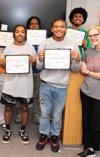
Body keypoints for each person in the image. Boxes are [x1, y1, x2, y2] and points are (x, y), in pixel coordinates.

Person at [35, 19, 81, 153]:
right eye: (56, 27)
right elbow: (38, 67)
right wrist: (40, 58)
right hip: (46, 85)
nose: (59, 29)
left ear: (66, 29)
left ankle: (54, 136)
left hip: (62, 86)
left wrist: (77, 60)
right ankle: (44, 135)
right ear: (52, 29)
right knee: (44, 113)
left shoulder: (72, 44)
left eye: (62, 27)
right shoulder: (45, 43)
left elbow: (75, 69)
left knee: (56, 114)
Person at [77, 26, 100, 157]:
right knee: (86, 120)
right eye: (91, 36)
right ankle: (88, 147)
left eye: (96, 35)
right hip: (86, 91)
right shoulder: (89, 52)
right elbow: (81, 62)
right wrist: (83, 65)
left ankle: (94, 147)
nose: (93, 38)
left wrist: (88, 71)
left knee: (95, 123)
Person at [0, 25, 36, 144]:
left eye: (22, 32)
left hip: (25, 83)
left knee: (24, 108)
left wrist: (34, 61)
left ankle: (23, 130)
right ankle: (8, 130)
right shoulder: (8, 47)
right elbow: (4, 65)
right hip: (11, 82)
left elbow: (35, 66)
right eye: (17, 32)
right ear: (14, 34)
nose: (20, 34)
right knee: (8, 107)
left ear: (25, 34)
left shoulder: (30, 47)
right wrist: (2, 63)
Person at [25, 16, 42, 124]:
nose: (34, 26)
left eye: (36, 23)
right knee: (24, 93)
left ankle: (37, 114)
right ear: (28, 26)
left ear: (39, 26)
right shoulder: (24, 39)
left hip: (40, 71)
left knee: (37, 94)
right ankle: (21, 113)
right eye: (31, 24)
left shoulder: (44, 40)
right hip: (27, 71)